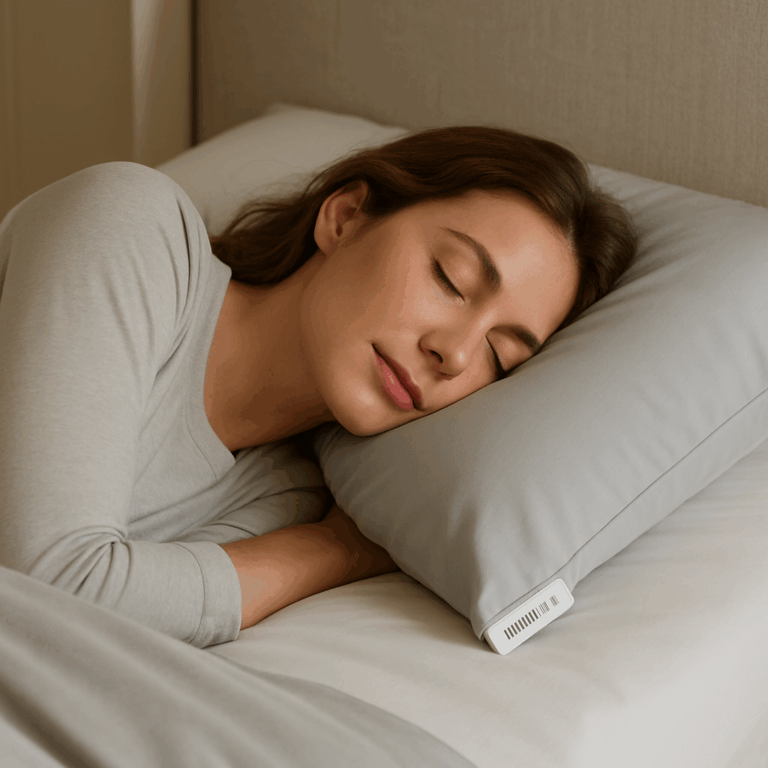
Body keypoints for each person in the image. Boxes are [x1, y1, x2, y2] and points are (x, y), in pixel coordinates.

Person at [0, 126, 636, 647]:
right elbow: (47, 587)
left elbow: (96, 642)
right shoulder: (131, 223)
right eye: (451, 277)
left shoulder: (291, 494)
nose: (456, 352)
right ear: (345, 217)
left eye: (500, 355)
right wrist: (337, 552)